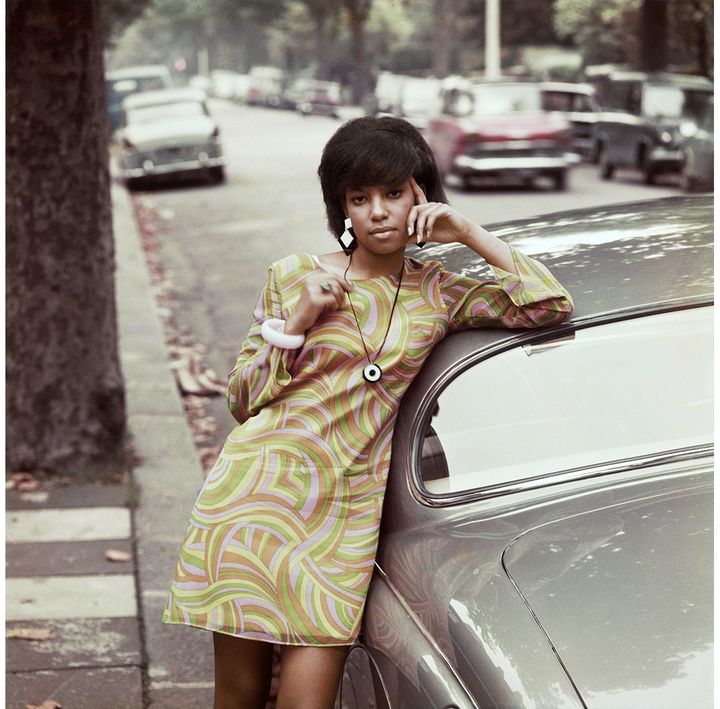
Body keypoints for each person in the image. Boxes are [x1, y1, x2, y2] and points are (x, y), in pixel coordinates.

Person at [162, 116, 574, 709]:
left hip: (340, 519)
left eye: (393, 193)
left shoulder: (439, 291)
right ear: (343, 210)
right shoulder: (293, 277)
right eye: (359, 198)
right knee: (240, 695)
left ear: (420, 196)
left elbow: (548, 304)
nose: (377, 211)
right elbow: (242, 399)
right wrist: (295, 325)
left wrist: (467, 230)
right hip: (253, 503)